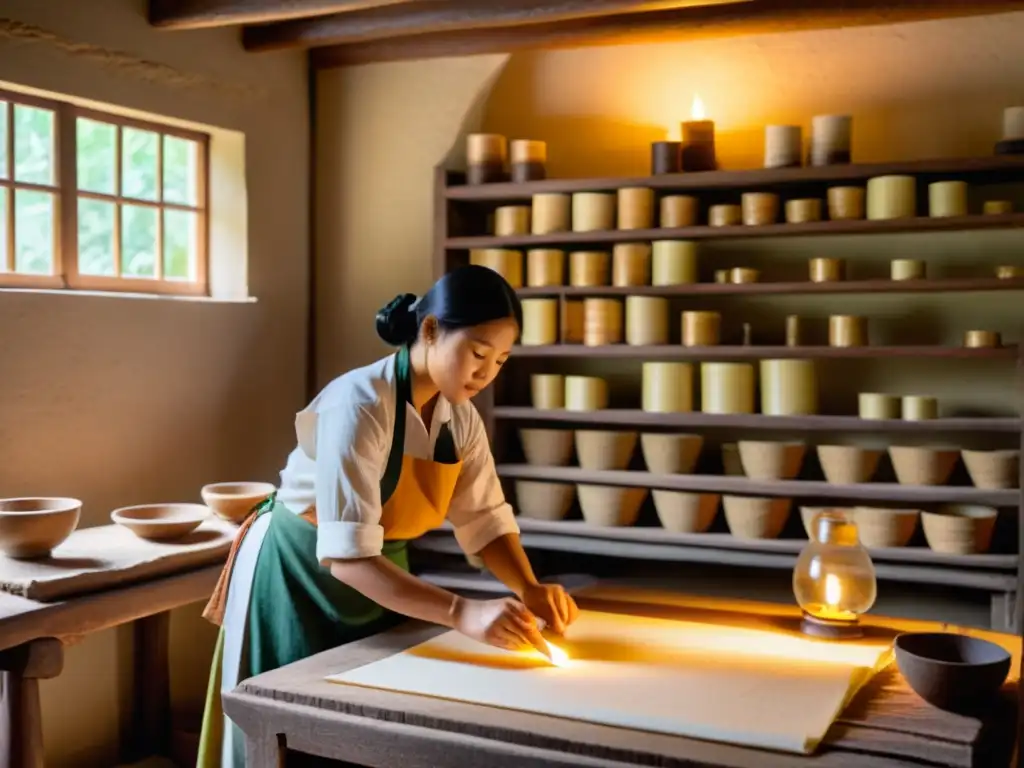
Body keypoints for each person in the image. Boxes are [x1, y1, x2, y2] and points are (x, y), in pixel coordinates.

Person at [196, 265, 580, 767]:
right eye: (478, 353)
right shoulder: (359, 404)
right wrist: (462, 612)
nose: (486, 373)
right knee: (293, 728)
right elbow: (349, 560)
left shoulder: (458, 418)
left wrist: (528, 587)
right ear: (430, 330)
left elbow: (485, 519)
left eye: (501, 360)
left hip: (382, 569)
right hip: (300, 569)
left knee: (365, 729)